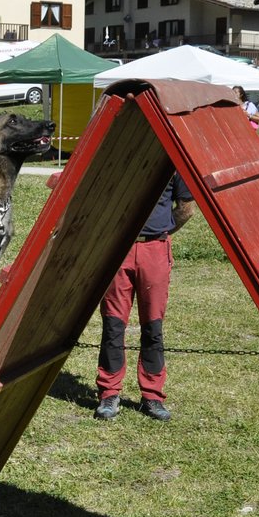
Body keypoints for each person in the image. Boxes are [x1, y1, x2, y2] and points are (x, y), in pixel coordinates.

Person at [95, 173, 196, 421]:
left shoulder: (172, 163)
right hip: (118, 248)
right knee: (113, 324)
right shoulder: (122, 159)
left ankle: (152, 396)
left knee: (152, 326)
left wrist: (159, 230)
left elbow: (187, 209)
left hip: (155, 250)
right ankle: (109, 393)